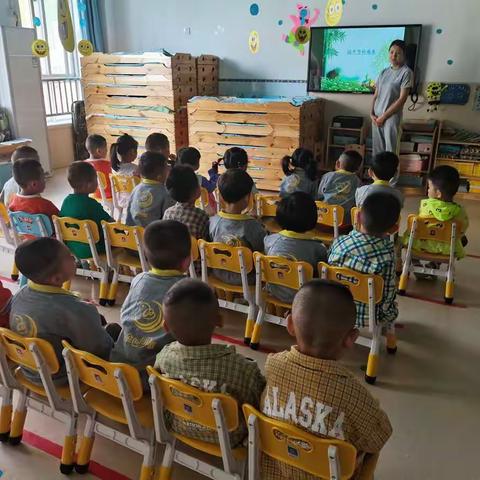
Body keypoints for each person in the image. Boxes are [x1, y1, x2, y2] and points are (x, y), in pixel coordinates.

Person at [261, 280, 392, 479]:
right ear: (351, 338)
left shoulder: (273, 365)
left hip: (275, 472)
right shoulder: (353, 393)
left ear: (290, 325)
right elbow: (380, 437)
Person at [155, 278, 265, 447]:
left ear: (165, 326)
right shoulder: (242, 369)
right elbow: (259, 405)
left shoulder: (163, 356)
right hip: (229, 438)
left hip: (178, 425)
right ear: (220, 320)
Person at [9, 238, 114, 384]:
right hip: (62, 376)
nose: (73, 257)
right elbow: (100, 350)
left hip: (29, 368)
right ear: (56, 278)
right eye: (69, 257)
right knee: (114, 330)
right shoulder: (75, 310)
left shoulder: (19, 296)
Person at [111, 220, 190, 373]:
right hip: (153, 373)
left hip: (119, 363)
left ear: (146, 257)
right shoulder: (187, 289)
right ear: (187, 261)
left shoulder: (138, 279)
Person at [329, 192, 401, 328]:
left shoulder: (339, 242)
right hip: (369, 318)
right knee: (392, 306)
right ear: (394, 229)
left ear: (357, 216)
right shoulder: (387, 256)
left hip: (332, 308)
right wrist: (387, 314)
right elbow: (388, 294)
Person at [264, 192, 327, 303]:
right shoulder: (318, 248)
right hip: (305, 300)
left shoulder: (269, 240)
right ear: (312, 218)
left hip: (275, 292)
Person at [210, 168, 266, 284]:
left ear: (220, 196)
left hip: (219, 274)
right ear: (247, 198)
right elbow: (262, 251)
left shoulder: (213, 221)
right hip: (247, 279)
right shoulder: (252, 225)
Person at [403, 165, 468, 259]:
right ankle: (435, 264)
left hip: (421, 246)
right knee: (463, 240)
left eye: (429, 187)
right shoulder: (459, 211)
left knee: (411, 235)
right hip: (447, 249)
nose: (428, 190)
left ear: (438, 193)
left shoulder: (425, 205)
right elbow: (462, 229)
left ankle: (414, 261)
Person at [371, 40, 413, 183]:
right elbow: (376, 95)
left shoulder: (406, 73)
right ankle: (377, 183)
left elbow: (402, 99)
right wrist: (371, 113)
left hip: (391, 119)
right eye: (391, 52)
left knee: (390, 153)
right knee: (377, 152)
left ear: (404, 55)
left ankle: (391, 185)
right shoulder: (383, 72)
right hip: (376, 118)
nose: (394, 55)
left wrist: (384, 116)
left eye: (398, 53)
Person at [60, 162, 113, 259]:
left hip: (73, 248)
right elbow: (110, 222)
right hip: (94, 248)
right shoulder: (91, 204)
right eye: (95, 180)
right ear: (88, 185)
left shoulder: (66, 202)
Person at [125, 151, 174, 227]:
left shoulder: (136, 189)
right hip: (154, 236)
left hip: (134, 234)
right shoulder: (165, 193)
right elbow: (169, 220)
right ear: (159, 175)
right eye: (166, 167)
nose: (168, 170)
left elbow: (128, 215)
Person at [163, 165, 209, 240]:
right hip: (193, 251)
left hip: (170, 250)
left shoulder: (167, 213)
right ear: (196, 191)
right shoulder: (202, 215)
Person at [317, 150, 363, 224]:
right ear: (358, 169)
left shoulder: (327, 176)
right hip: (344, 222)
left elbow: (319, 196)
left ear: (337, 163)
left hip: (324, 219)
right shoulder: (358, 181)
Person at [84, 134, 112, 200]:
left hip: (91, 193)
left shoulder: (83, 164)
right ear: (99, 151)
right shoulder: (107, 164)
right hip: (107, 194)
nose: (107, 150)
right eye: (106, 148)